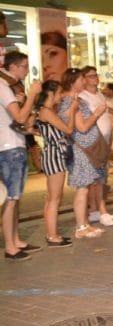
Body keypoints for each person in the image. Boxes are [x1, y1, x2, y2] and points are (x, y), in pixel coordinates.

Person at [1, 51, 42, 260]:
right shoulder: (3, 86)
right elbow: (19, 116)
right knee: (11, 198)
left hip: (14, 144)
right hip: (8, 147)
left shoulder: (9, 88)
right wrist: (33, 94)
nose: (27, 70)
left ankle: (15, 240)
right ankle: (10, 246)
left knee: (15, 198)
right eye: (25, 66)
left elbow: (22, 120)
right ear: (14, 67)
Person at [60, 68, 108, 240]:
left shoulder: (77, 99)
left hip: (88, 150)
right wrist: (96, 114)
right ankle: (81, 226)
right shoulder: (69, 102)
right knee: (82, 189)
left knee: (86, 188)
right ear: (73, 81)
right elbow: (81, 127)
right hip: (81, 151)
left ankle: (84, 223)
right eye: (81, 79)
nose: (84, 82)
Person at [34, 80, 76, 248]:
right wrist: (72, 112)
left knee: (52, 197)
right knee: (55, 198)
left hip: (53, 154)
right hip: (54, 154)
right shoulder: (46, 111)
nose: (60, 96)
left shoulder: (45, 110)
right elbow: (68, 130)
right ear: (51, 94)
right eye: (59, 93)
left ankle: (51, 233)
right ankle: (52, 236)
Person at [79, 66, 113, 227]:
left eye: (96, 75)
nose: (95, 78)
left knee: (100, 177)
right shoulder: (82, 97)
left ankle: (95, 210)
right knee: (95, 178)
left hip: (104, 141)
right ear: (84, 79)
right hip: (91, 142)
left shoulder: (100, 94)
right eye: (91, 76)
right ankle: (101, 210)